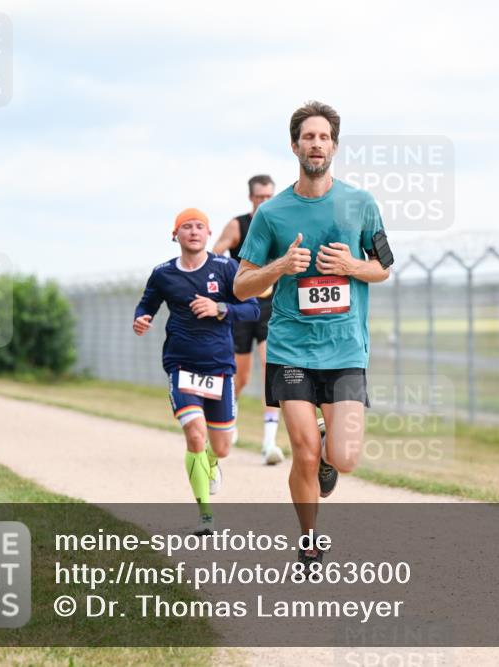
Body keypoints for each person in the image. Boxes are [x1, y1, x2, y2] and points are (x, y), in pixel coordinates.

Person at [234, 101, 394, 565]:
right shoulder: (273, 214)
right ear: (294, 145)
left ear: (335, 147)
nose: (316, 144)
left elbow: (383, 268)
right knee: (303, 452)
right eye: (308, 137)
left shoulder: (360, 204)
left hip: (344, 349)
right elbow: (242, 284)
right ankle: (308, 538)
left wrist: (351, 266)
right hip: (290, 349)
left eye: (324, 137)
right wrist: (281, 266)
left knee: (342, 458)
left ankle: (330, 453)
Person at [134, 207, 260, 535]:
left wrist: (220, 308)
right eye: (186, 227)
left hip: (219, 367)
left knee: (221, 447)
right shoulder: (163, 273)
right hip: (181, 365)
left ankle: (212, 462)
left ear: (208, 234)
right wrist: (142, 318)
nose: (193, 231)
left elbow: (252, 309)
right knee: (194, 434)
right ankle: (205, 515)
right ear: (174, 235)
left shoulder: (226, 267)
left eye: (199, 226)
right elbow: (147, 304)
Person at [213, 174, 285, 465]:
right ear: (251, 198)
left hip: (271, 309)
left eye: (270, 197)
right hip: (242, 307)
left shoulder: (280, 225)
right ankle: (230, 416)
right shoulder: (237, 225)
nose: (265, 202)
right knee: (240, 376)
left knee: (272, 371)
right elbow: (214, 255)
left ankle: (269, 443)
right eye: (260, 197)